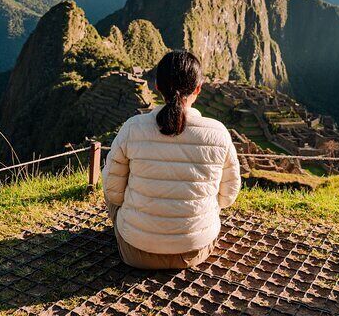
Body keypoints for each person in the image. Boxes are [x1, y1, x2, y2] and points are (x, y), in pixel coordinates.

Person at [102, 50, 241, 269]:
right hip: (194, 251)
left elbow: (113, 192)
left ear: (157, 86)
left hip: (136, 251)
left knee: (111, 183)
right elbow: (227, 198)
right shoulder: (218, 133)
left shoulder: (132, 128)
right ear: (198, 89)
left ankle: (143, 228)